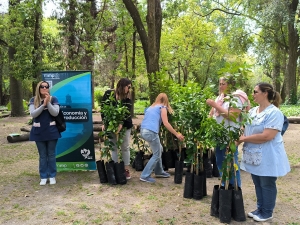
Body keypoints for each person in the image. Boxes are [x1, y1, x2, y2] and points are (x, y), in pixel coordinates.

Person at [237, 82, 290, 222]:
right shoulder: (253, 111)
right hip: (253, 154)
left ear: (265, 93)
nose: (253, 94)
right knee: (258, 182)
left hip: (268, 155)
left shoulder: (274, 113)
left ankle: (267, 212)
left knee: (267, 183)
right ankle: (260, 208)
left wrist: (244, 139)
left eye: (255, 92)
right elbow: (245, 127)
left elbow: (267, 136)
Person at [206, 74, 249, 188]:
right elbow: (211, 113)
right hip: (219, 136)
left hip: (230, 136)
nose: (220, 86)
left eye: (223, 84)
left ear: (230, 85)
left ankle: (235, 188)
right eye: (219, 84)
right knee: (220, 162)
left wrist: (215, 105)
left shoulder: (236, 98)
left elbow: (233, 116)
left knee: (231, 163)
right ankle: (225, 186)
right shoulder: (220, 98)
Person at [139, 93, 184, 183]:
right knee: (156, 154)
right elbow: (166, 123)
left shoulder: (150, 108)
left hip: (143, 131)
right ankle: (145, 175)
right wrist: (177, 134)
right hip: (151, 132)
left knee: (159, 149)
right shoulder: (162, 107)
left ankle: (159, 171)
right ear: (166, 101)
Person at [29, 81, 61, 186]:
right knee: (42, 155)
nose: (44, 88)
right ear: (38, 88)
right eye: (42, 87)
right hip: (38, 132)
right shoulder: (33, 100)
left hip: (51, 132)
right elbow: (33, 114)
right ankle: (43, 176)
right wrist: (43, 105)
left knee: (51, 155)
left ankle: (52, 176)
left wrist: (48, 103)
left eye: (46, 87)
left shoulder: (54, 99)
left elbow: (55, 113)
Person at [100, 78, 133, 180]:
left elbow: (127, 112)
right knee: (113, 146)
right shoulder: (108, 94)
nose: (129, 89)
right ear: (122, 86)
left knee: (125, 147)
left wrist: (121, 124)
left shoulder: (128, 97)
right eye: (128, 87)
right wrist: (104, 123)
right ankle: (115, 168)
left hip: (125, 125)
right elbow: (104, 109)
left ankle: (126, 169)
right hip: (111, 125)